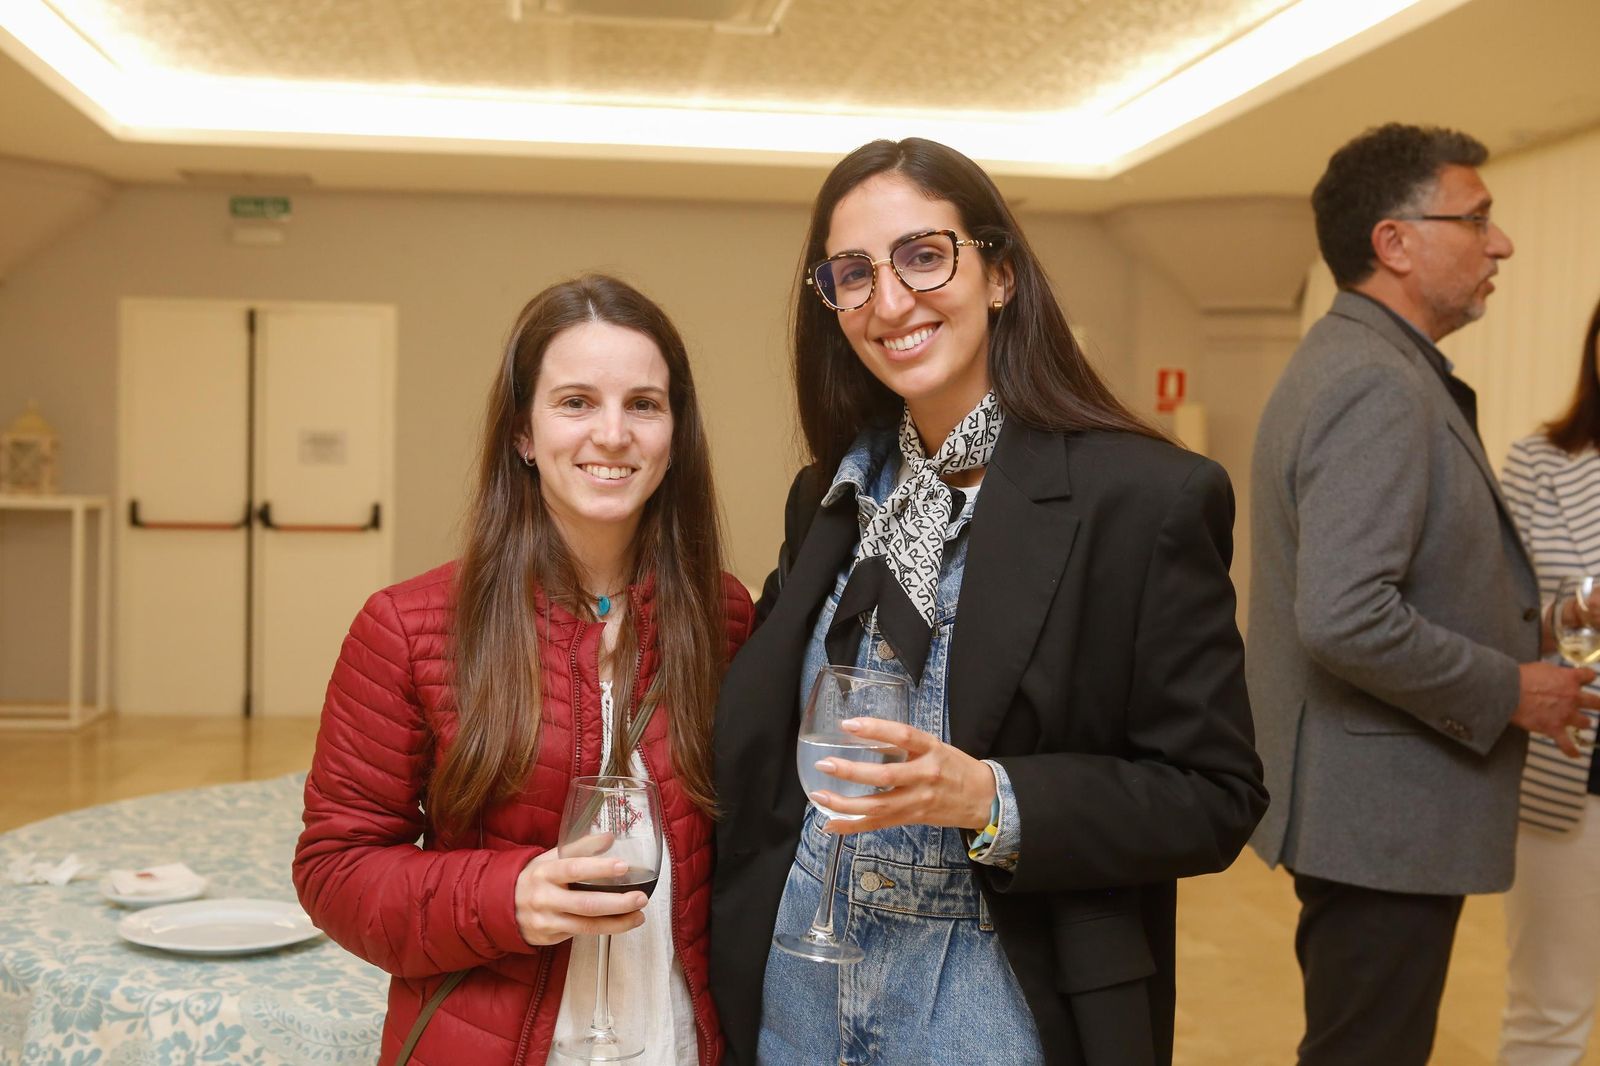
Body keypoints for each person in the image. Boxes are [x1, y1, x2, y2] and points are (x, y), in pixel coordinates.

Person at [709, 137, 1267, 1066]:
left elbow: (1214, 797)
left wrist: (987, 793)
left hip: (986, 995)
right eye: (853, 275)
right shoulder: (833, 495)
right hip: (799, 973)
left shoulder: (1143, 499)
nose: (889, 302)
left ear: (1000, 273)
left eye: (924, 256)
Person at [293, 274, 755, 1066]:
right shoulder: (407, 627)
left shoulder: (726, 616)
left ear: (675, 434)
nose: (612, 434)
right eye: (576, 402)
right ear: (523, 435)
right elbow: (335, 870)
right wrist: (507, 896)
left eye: (643, 404)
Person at [1247, 123, 1596, 1066]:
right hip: (1379, 818)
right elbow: (1346, 614)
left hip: (1373, 811)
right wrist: (1513, 690)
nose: (1502, 244)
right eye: (1478, 219)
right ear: (1395, 243)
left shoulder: (1368, 365)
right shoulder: (1377, 384)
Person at [1498, 293, 1600, 1065]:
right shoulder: (1540, 463)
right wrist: (1583, 607)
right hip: (1573, 765)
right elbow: (1505, 618)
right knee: (1549, 1010)